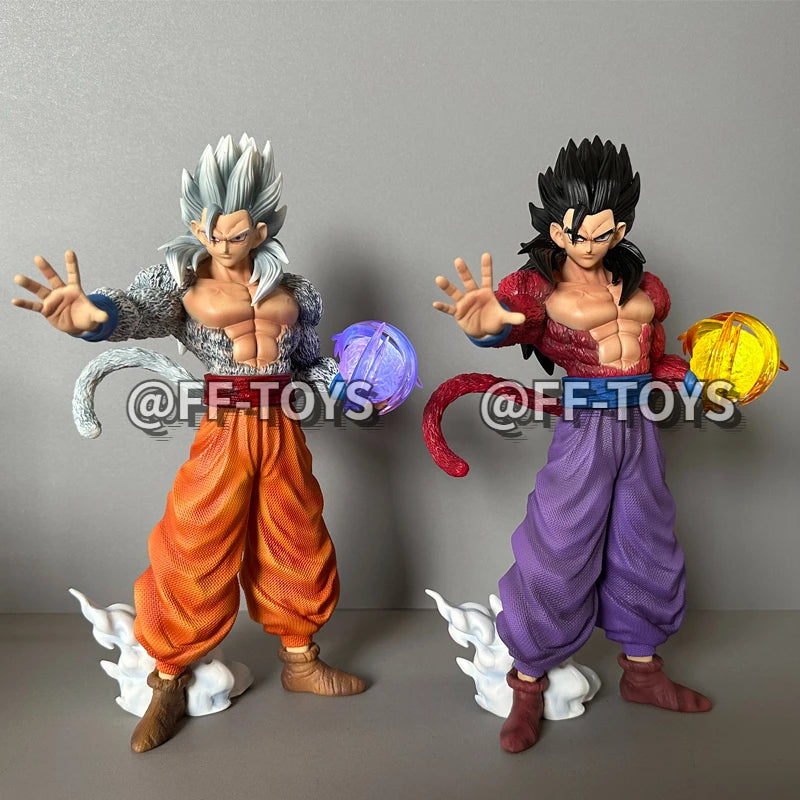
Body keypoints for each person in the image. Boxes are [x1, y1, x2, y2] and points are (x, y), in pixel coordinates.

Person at [12, 134, 366, 753]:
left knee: (296, 535)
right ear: (195, 225)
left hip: (281, 425)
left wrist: (353, 382)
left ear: (260, 230)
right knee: (196, 541)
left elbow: (309, 365)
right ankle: (169, 677)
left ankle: (300, 658)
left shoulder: (295, 292)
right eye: (208, 230)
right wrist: (93, 317)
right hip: (225, 426)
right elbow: (133, 309)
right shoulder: (180, 281)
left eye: (235, 233)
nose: (221, 244)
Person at [430, 137, 711, 754]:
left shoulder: (646, 286)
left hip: (639, 426)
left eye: (602, 232)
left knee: (646, 541)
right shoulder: (538, 287)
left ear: (621, 227)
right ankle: (527, 681)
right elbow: (509, 321)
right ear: (555, 227)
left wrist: (696, 377)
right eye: (574, 232)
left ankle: (643, 671)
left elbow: (655, 360)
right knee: (559, 544)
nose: (587, 244)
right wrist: (484, 328)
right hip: (585, 427)